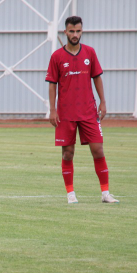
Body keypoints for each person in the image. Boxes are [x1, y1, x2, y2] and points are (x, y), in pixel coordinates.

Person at [46, 16, 118, 204]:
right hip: (66, 113)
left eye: (78, 31)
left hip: (88, 111)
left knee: (98, 150)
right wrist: (52, 109)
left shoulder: (90, 53)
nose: (75, 34)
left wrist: (103, 102)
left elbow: (97, 78)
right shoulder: (57, 57)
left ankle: (105, 194)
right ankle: (71, 195)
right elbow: (52, 85)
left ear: (82, 31)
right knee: (67, 153)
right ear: (66, 32)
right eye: (72, 31)